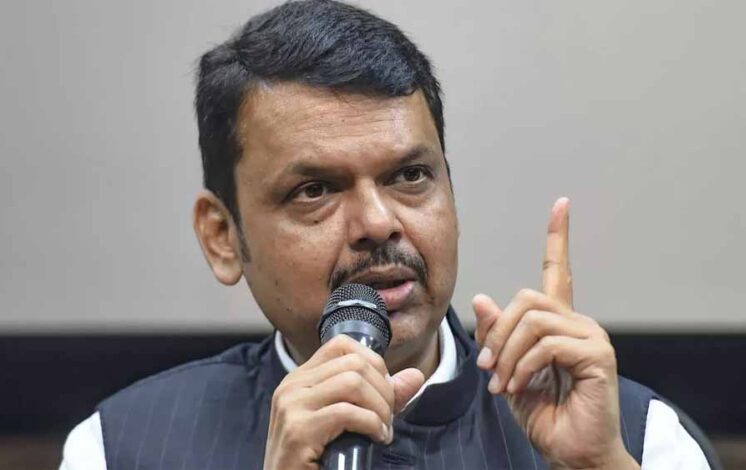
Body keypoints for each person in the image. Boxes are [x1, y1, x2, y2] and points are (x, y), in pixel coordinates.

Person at [60, 1, 711, 469]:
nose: (377, 223)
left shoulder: (635, 439)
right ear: (222, 237)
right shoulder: (121, 447)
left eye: (409, 176)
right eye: (315, 190)